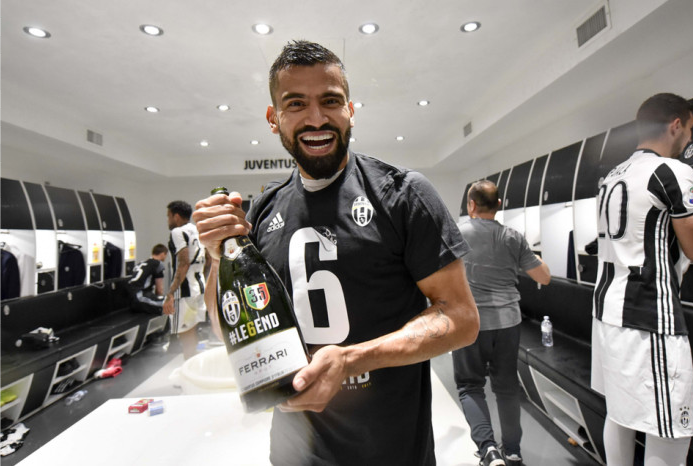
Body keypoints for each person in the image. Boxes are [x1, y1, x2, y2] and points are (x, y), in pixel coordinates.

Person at [193, 40, 479, 465]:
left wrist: (351, 359)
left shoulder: (402, 194)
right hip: (293, 454)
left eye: (330, 101)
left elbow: (461, 318)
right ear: (274, 119)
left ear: (350, 110)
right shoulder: (262, 211)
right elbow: (229, 332)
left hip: (392, 451)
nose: (316, 118)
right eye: (296, 104)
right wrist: (216, 257)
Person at [591, 93, 693, 466]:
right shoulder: (672, 172)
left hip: (609, 311)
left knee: (620, 414)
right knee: (670, 427)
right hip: (650, 316)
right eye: (689, 128)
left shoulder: (610, 177)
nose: (689, 138)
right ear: (676, 124)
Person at [453, 180, 551, 466]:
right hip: (508, 322)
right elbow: (543, 277)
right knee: (506, 387)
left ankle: (488, 450)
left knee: (470, 386)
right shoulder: (514, 237)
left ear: (471, 205)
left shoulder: (457, 234)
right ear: (499, 205)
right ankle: (512, 450)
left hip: (471, 324)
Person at [164, 200, 210, 361]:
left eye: (169, 216)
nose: (168, 220)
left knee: (185, 332)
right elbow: (209, 258)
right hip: (199, 286)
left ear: (176, 216)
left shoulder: (177, 232)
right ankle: (192, 365)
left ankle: (189, 368)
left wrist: (170, 293)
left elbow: (183, 262)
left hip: (184, 290)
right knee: (192, 329)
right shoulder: (196, 230)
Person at [127, 243, 168, 315]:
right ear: (162, 254)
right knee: (170, 303)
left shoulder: (142, 263)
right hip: (140, 296)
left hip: (131, 297)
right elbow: (159, 289)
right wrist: (158, 299)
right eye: (165, 255)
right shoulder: (158, 264)